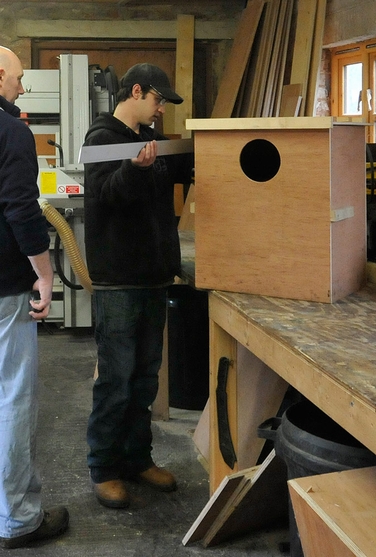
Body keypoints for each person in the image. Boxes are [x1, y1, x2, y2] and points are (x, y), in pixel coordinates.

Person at [83, 63, 193, 508]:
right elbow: (106, 195)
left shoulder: (151, 143)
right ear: (135, 91)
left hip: (152, 278)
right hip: (119, 281)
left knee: (146, 379)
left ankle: (136, 457)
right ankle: (104, 467)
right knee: (117, 380)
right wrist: (132, 169)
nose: (161, 108)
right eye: (157, 99)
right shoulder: (102, 140)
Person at [0, 46, 69, 548]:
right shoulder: (12, 132)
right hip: (4, 290)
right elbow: (22, 210)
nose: (22, 89)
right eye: (19, 79)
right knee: (12, 399)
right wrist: (43, 275)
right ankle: (19, 519)